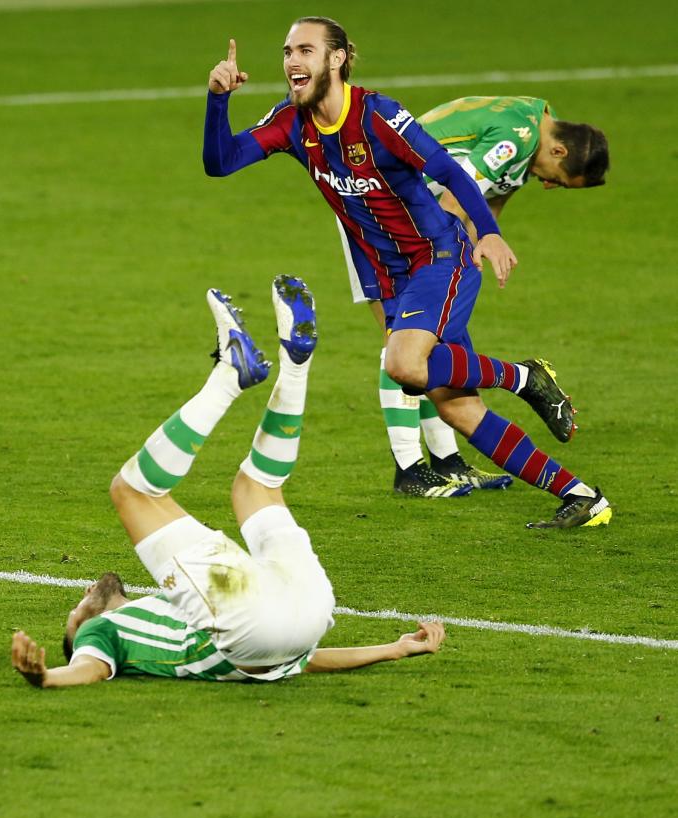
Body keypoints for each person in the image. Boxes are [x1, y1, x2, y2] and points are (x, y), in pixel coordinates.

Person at [203, 17, 611, 528]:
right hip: (391, 274)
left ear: (336, 59)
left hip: (440, 258)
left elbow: (448, 169)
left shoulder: (379, 116)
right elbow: (220, 162)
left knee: (403, 364)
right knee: (458, 410)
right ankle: (581, 496)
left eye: (305, 50)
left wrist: (487, 230)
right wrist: (217, 99)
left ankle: (523, 375)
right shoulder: (291, 122)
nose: (291, 61)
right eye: (287, 51)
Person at [11, 277, 445, 688]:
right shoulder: (99, 635)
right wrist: (48, 676)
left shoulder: (175, 608)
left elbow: (304, 657)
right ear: (80, 632)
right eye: (72, 614)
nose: (80, 599)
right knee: (131, 491)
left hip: (303, 616)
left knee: (255, 487)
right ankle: (230, 376)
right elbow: (86, 668)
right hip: (258, 621)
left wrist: (394, 649)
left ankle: (295, 367)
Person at [337, 96, 609, 497]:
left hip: (406, 222)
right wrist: (446, 269)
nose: (550, 184)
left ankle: (447, 463)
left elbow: (487, 209)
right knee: (400, 341)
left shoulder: (529, 130)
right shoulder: (516, 140)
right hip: (378, 215)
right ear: (559, 150)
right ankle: (410, 466)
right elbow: (452, 199)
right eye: (560, 178)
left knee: (430, 351)